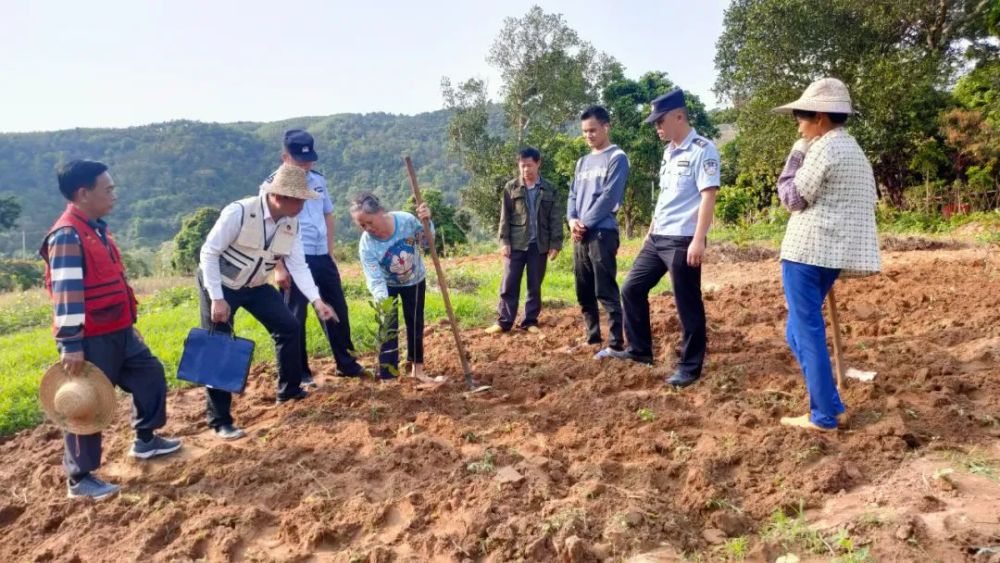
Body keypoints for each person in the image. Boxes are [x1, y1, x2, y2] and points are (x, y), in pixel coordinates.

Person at [40, 159, 181, 500]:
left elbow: (115, 282)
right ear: (83, 193)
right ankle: (80, 478)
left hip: (119, 329)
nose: (114, 195)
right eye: (108, 189)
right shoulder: (67, 236)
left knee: (150, 374)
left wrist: (130, 326)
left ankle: (145, 439)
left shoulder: (97, 229)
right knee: (86, 403)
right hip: (90, 337)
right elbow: (67, 294)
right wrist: (71, 344)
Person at [198, 164, 336, 440]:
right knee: (219, 345)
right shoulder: (239, 212)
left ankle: (290, 390)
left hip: (256, 285)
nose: (303, 206)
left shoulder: (290, 223)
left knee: (289, 326)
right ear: (280, 196)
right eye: (299, 200)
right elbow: (209, 253)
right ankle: (220, 420)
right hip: (221, 284)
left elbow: (298, 266)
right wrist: (217, 298)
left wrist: (317, 301)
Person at [773, 77, 881, 431]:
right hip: (831, 255)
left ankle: (822, 415)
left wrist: (796, 152)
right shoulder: (855, 151)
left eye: (801, 118)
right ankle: (831, 405)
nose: (799, 125)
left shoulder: (821, 148)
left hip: (807, 252)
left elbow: (791, 197)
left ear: (819, 117)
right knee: (798, 332)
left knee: (805, 331)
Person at [611, 89, 721, 388]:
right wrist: (651, 227)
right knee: (632, 288)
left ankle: (690, 366)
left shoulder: (703, 149)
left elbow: (708, 196)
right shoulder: (668, 152)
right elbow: (667, 196)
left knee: (687, 302)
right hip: (658, 236)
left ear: (679, 116)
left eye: (660, 121)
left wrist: (699, 239)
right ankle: (639, 350)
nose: (657, 127)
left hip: (683, 238)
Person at [262, 129, 366, 385]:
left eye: (309, 160)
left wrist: (329, 251)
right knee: (296, 316)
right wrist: (279, 267)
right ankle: (301, 372)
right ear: (285, 157)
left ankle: (345, 362)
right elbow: (269, 227)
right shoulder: (270, 186)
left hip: (321, 255)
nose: (306, 166)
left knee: (336, 308)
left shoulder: (318, 180)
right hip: (292, 257)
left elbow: (328, 214)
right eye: (300, 161)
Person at [349, 192, 436, 382]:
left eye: (370, 222)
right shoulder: (367, 244)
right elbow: (375, 278)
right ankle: (388, 376)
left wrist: (427, 223)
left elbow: (427, 243)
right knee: (387, 328)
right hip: (387, 286)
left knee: (415, 323)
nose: (368, 228)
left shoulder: (406, 221)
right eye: (362, 225)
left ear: (380, 212)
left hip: (414, 280)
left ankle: (417, 369)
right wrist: (383, 303)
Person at [566, 105, 630, 358]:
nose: (588, 135)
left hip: (602, 233)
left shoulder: (617, 158)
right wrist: (572, 220)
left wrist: (585, 223)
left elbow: (609, 197)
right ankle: (592, 338)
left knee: (605, 289)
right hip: (580, 234)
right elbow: (573, 194)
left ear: (606, 127)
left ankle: (615, 343)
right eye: (584, 131)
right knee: (584, 290)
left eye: (593, 130)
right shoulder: (582, 162)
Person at [485, 147, 563, 335]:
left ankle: (529, 321)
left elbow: (555, 217)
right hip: (516, 243)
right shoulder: (511, 187)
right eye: (522, 166)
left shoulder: (549, 189)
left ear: (538, 164)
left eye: (529, 165)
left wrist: (555, 243)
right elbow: (505, 216)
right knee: (509, 283)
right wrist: (504, 241)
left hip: (540, 244)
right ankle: (504, 321)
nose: (526, 170)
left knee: (534, 284)